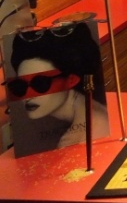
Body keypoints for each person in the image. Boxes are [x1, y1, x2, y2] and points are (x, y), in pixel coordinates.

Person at [5, 21, 109, 153]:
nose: (28, 95)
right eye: (20, 86)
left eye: (40, 83)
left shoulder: (75, 140)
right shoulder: (94, 113)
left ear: (71, 80)